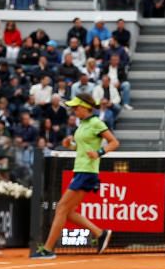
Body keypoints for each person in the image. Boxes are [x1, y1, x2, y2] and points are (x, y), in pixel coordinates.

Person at [31, 94, 120, 259]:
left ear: (85, 107)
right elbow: (81, 147)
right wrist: (70, 145)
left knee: (61, 208)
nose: (74, 111)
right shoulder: (82, 125)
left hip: (87, 172)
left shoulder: (96, 123)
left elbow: (114, 142)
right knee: (68, 211)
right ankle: (100, 233)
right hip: (80, 170)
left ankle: (48, 249)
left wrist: (99, 152)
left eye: (76, 108)